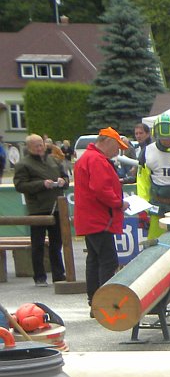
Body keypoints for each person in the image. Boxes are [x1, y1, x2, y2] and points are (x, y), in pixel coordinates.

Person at [72, 128, 129, 306]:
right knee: (108, 260)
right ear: (108, 142)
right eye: (117, 146)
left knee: (94, 260)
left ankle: (94, 300)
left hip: (91, 219)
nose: (118, 151)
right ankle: (104, 302)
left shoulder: (88, 157)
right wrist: (119, 203)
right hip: (99, 219)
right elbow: (101, 189)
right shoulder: (97, 160)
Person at [12, 134, 68, 286]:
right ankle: (39, 276)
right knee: (37, 244)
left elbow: (65, 178)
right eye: (36, 145)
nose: (40, 148)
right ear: (29, 147)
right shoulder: (23, 164)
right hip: (37, 209)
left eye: (41, 144)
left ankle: (58, 274)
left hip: (56, 206)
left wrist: (63, 181)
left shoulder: (53, 160)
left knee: (57, 243)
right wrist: (41, 184)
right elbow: (20, 185)